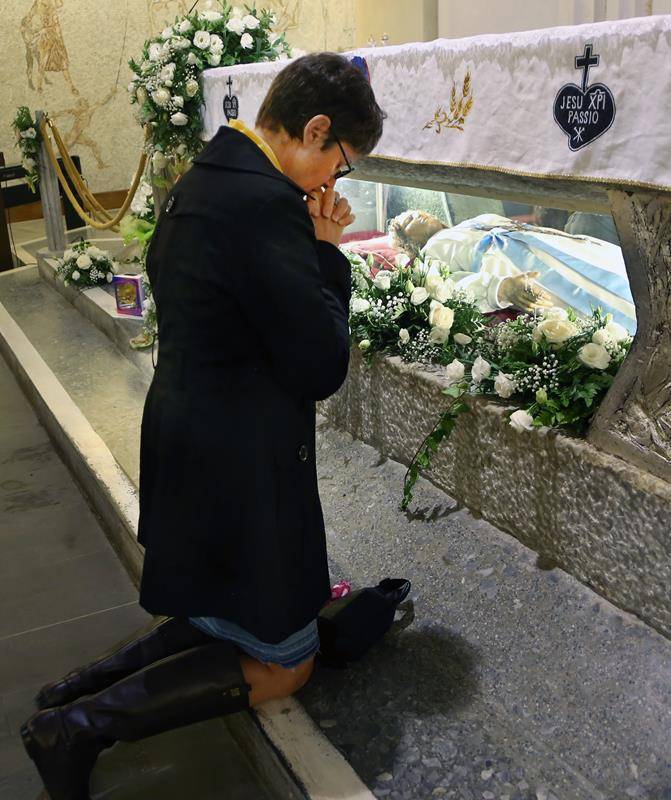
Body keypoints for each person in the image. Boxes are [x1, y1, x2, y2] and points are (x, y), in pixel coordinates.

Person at [21, 52, 385, 800]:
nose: (330, 185)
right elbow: (320, 365)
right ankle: (79, 726)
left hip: (190, 429)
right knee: (288, 662)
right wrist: (327, 252)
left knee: (222, 615)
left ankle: (72, 689)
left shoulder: (210, 172)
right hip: (243, 462)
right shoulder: (266, 205)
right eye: (338, 165)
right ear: (314, 129)